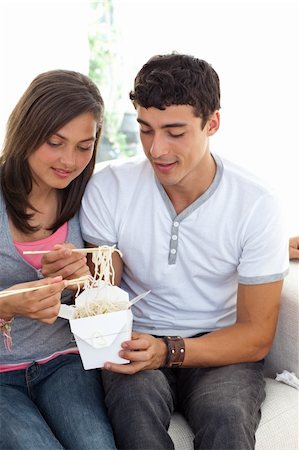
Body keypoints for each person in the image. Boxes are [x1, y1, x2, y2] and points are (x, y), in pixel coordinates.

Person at [80, 53, 289, 450]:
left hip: (221, 347)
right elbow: (105, 284)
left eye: (175, 132)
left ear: (212, 122)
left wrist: (169, 351)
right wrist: (84, 274)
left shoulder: (258, 204)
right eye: (145, 129)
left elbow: (256, 336)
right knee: (135, 414)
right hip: (136, 338)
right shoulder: (110, 187)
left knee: (226, 418)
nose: (156, 149)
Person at [0, 70, 116, 450]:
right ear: (27, 130)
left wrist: (84, 278)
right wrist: (7, 304)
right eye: (55, 142)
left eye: (84, 146)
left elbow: (109, 280)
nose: (70, 160)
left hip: (66, 362)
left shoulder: (89, 197)